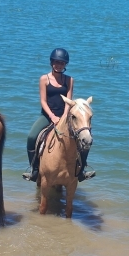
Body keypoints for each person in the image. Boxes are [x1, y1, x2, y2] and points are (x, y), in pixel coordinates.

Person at [23, 48, 94, 182]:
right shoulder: (44, 79)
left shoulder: (69, 80)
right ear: (51, 63)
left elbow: (69, 101)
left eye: (62, 63)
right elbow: (43, 101)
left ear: (65, 65)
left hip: (65, 116)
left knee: (85, 139)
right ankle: (34, 170)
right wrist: (52, 117)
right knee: (31, 137)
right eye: (56, 62)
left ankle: (82, 170)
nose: (59, 65)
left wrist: (64, 116)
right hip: (47, 115)